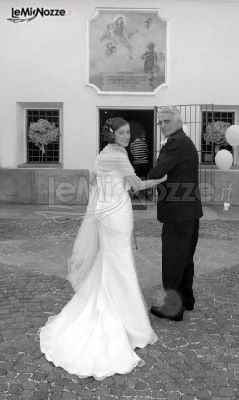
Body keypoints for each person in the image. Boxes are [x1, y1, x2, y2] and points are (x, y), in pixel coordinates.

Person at [39, 117, 166, 380]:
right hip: (116, 215)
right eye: (121, 133)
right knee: (120, 263)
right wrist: (161, 178)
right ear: (112, 135)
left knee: (112, 262)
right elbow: (138, 186)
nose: (126, 136)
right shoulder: (118, 157)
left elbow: (97, 183)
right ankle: (126, 320)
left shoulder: (104, 154)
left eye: (128, 132)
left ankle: (119, 307)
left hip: (107, 213)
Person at [148, 107, 203, 321]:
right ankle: (187, 300)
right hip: (189, 212)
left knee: (173, 261)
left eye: (167, 122)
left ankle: (173, 308)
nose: (162, 126)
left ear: (178, 122)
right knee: (185, 259)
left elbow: (156, 172)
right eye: (160, 122)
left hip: (178, 213)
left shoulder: (174, 143)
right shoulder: (186, 141)